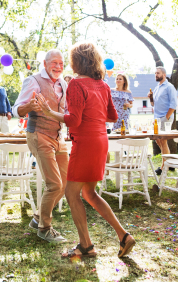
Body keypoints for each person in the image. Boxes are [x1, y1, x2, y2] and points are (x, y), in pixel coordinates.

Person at [37, 42, 135, 258]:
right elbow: (113, 117)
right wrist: (94, 113)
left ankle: (86, 246)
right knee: (89, 193)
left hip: (86, 143)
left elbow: (74, 120)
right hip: (101, 141)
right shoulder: (103, 85)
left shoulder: (76, 85)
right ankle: (124, 236)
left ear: (76, 61)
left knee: (72, 193)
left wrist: (50, 112)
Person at [12, 49, 68, 243]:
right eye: (54, 63)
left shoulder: (63, 83)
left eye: (61, 63)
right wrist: (30, 107)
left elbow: (66, 109)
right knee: (54, 184)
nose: (58, 67)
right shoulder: (33, 81)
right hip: (38, 134)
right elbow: (16, 109)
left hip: (58, 137)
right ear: (45, 63)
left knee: (65, 183)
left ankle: (37, 218)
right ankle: (45, 228)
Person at [148, 66, 178, 176]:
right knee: (158, 140)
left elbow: (173, 105)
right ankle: (168, 161)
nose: (156, 75)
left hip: (165, 117)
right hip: (157, 118)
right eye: (155, 73)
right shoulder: (157, 88)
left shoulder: (169, 87)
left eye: (158, 73)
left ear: (164, 75)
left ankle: (163, 167)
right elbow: (153, 104)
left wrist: (166, 118)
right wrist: (150, 98)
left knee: (163, 140)